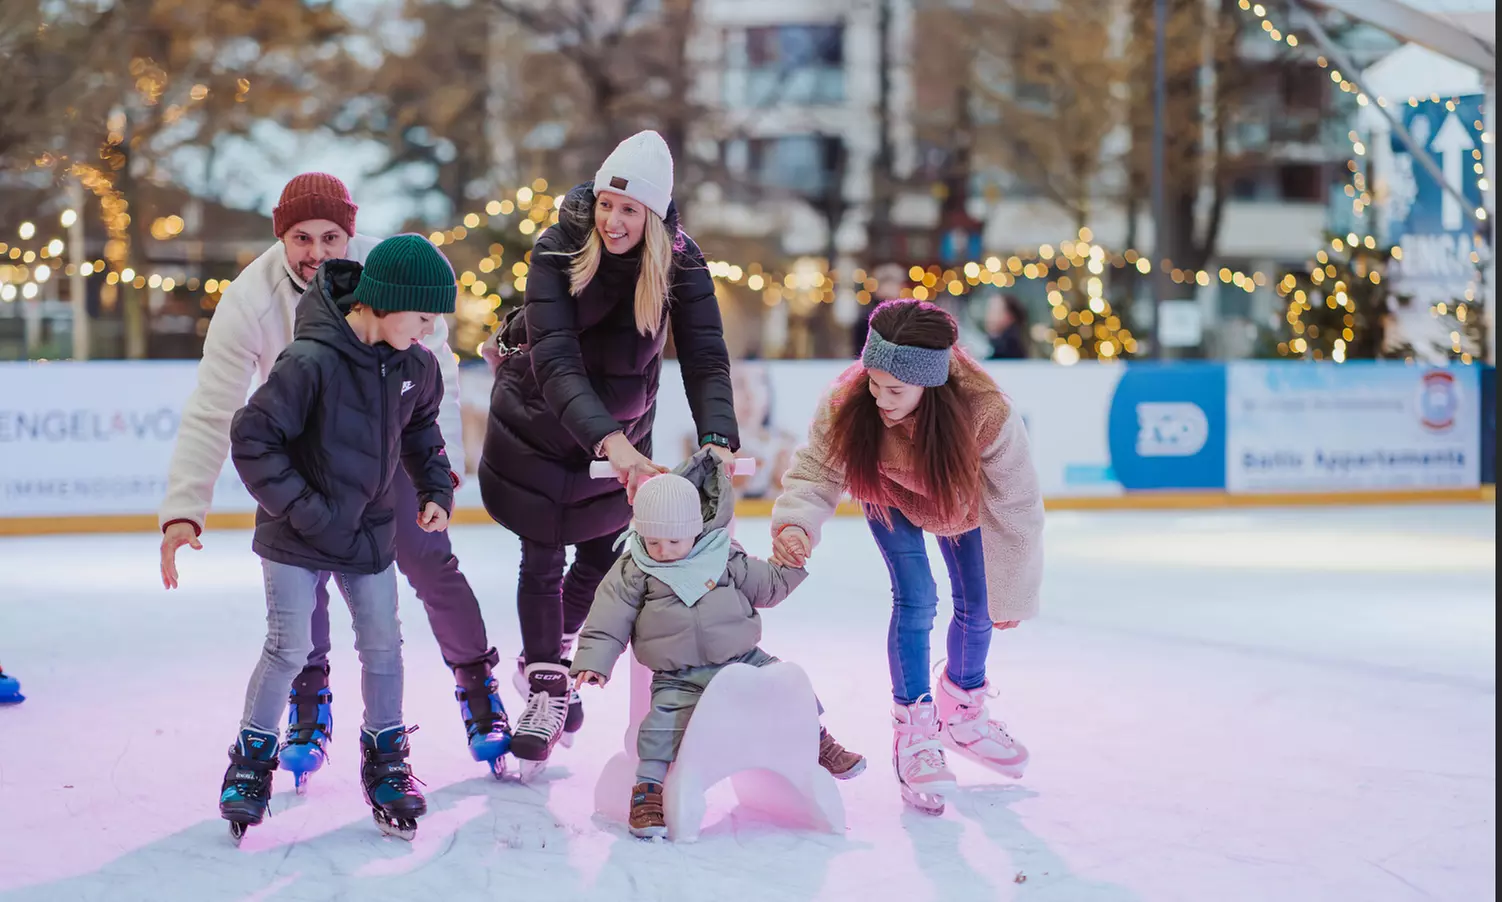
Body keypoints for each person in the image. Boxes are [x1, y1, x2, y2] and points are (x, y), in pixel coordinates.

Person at [157, 173, 511, 782]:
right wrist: (185, 508)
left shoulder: (400, 270)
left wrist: (440, 475)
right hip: (305, 456)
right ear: (281, 235)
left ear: (351, 233)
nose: (316, 252)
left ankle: (477, 683)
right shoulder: (250, 298)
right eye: (301, 237)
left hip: (388, 446)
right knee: (304, 573)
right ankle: (310, 697)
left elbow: (436, 380)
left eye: (330, 237)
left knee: (426, 558)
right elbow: (218, 409)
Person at [478, 130, 738, 772]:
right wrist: (613, 445)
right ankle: (545, 688)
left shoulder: (681, 261)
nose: (614, 221)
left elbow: (704, 356)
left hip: (623, 427)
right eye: (606, 205)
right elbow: (557, 364)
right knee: (541, 553)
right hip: (537, 423)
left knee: (599, 557)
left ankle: (552, 659)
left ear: (654, 214)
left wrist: (718, 437)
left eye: (629, 210)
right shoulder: (557, 248)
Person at [219, 234, 457, 843]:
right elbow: (252, 438)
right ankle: (251, 762)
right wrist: (304, 509)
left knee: (384, 645)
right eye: (423, 317)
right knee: (289, 647)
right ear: (384, 301)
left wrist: (434, 489)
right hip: (297, 531)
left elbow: (423, 430)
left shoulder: (416, 367)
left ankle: (387, 759)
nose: (429, 331)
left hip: (368, 531)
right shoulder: (310, 361)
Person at [770, 299, 1045, 816]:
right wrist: (796, 524)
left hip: (958, 502)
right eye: (874, 383)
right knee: (917, 598)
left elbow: (1017, 502)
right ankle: (915, 731)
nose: (879, 398)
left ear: (930, 383)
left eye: (895, 390)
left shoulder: (985, 412)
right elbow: (816, 469)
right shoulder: (849, 401)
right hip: (888, 492)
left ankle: (963, 711)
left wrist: (1017, 590)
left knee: (980, 604)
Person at [569, 453, 865, 839]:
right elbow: (608, 619)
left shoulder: (722, 556)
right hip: (679, 676)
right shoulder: (634, 569)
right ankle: (648, 792)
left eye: (673, 540)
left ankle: (818, 742)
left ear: (695, 529)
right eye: (652, 539)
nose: (662, 550)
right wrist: (594, 661)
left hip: (742, 659)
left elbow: (767, 585)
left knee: (789, 687)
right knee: (660, 727)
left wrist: (790, 563)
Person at [985, 293, 1031, 359]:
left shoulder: (1007, 347)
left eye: (994, 311)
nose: (988, 317)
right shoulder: (996, 344)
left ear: (1009, 316)